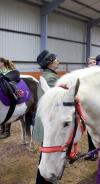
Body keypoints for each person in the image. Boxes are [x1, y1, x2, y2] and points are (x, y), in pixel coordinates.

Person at [34, 50, 60, 184]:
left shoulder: (47, 75)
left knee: (46, 155)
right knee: (49, 156)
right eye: (56, 59)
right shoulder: (51, 78)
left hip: (47, 122)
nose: (58, 61)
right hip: (50, 123)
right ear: (49, 62)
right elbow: (56, 104)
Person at [0, 57, 16, 139]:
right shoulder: (0, 71)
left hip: (8, 94)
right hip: (1, 94)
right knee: (1, 112)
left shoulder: (8, 72)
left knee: (7, 112)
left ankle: (7, 131)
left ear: (2, 63)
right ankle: (2, 129)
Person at [84, 57, 98, 161]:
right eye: (90, 63)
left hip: (99, 107)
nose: (92, 64)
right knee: (90, 130)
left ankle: (99, 151)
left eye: (94, 62)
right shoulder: (85, 77)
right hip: (89, 107)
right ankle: (92, 151)